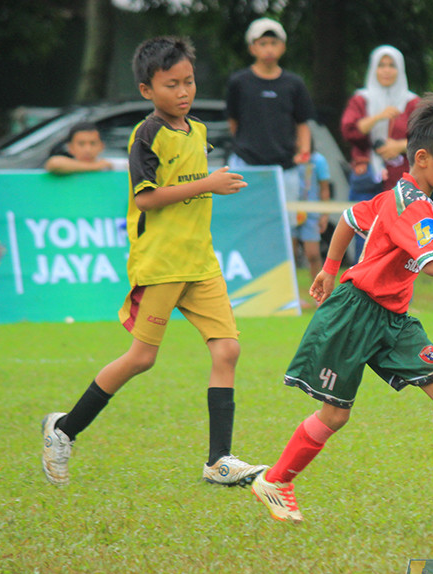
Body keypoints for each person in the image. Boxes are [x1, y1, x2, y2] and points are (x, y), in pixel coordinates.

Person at [251, 93, 433, 524]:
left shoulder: (397, 195)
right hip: (354, 314)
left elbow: (349, 218)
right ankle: (275, 481)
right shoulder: (413, 205)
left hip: (392, 319)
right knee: (335, 414)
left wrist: (331, 268)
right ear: (423, 158)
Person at [41, 36, 268, 487]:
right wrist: (208, 183)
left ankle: (218, 461)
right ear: (147, 90)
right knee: (142, 358)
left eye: (188, 82)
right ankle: (63, 430)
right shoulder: (146, 135)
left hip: (200, 262)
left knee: (228, 349)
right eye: (171, 84)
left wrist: (207, 184)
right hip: (160, 264)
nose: (183, 91)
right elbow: (147, 200)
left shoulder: (197, 131)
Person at [225, 18, 316, 205]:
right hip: (245, 164)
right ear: (252, 48)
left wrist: (304, 151)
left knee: (288, 225)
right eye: (263, 43)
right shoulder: (238, 82)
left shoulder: (295, 84)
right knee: (246, 219)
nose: (269, 49)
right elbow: (233, 122)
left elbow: (302, 123)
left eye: (274, 43)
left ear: (283, 47)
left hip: (286, 168)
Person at [341, 45, 419, 201]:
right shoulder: (361, 99)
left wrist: (399, 146)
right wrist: (379, 116)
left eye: (392, 65)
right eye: (381, 65)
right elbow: (349, 130)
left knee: (398, 223)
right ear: (373, 69)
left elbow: (427, 139)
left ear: (400, 70)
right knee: (363, 224)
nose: (386, 70)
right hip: (366, 176)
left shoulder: (412, 103)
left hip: (401, 178)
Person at [294, 143, 331, 284]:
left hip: (311, 212)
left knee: (313, 255)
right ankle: (293, 295)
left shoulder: (318, 160)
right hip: (291, 211)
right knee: (291, 256)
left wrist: (325, 214)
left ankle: (319, 291)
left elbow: (324, 188)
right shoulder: (287, 159)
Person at [44, 122, 113, 174]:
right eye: (81, 144)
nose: (87, 150)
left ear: (102, 146)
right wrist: (95, 167)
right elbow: (54, 163)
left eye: (92, 143)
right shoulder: (64, 167)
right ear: (70, 147)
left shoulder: (111, 166)